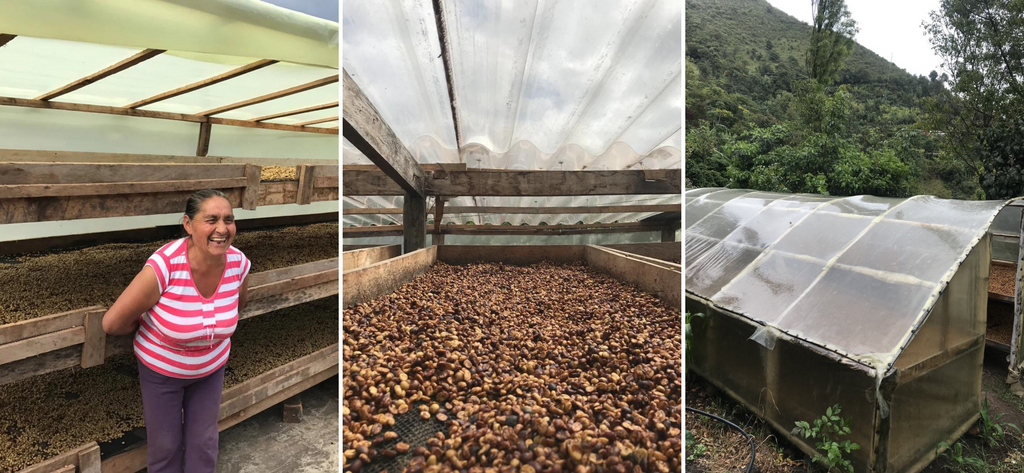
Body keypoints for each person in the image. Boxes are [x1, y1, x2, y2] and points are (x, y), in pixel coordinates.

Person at [102, 189, 251, 473]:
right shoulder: (165, 265)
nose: (222, 229)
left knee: (204, 442)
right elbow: (113, 323)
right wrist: (154, 330)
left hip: (211, 369)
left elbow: (237, 304)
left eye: (228, 220)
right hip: (162, 373)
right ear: (187, 224)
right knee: (165, 446)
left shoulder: (238, 263)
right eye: (211, 220)